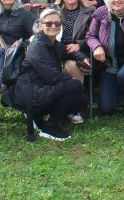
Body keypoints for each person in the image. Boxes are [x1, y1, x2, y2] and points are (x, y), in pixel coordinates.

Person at [12, 9, 89, 141]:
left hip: (43, 88)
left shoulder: (52, 43)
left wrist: (82, 58)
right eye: (48, 23)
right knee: (74, 86)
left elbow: (67, 52)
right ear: (40, 26)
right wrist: (70, 82)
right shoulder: (37, 46)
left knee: (81, 100)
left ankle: (38, 115)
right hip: (32, 91)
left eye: (57, 23)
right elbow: (52, 77)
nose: (53, 26)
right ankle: (49, 126)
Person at [53, 0, 94, 123]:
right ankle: (52, 106)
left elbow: (94, 35)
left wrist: (79, 44)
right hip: (55, 51)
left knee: (74, 67)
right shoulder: (53, 11)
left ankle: (72, 109)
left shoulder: (90, 12)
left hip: (76, 53)